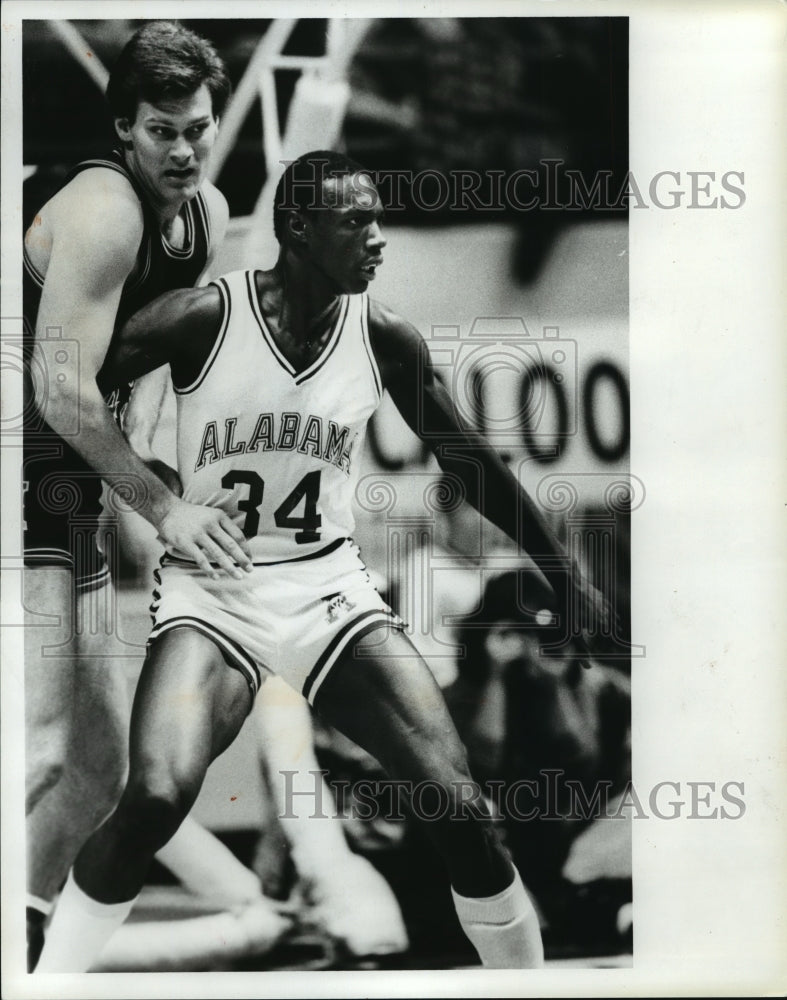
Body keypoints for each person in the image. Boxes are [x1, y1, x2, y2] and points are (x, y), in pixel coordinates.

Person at [36, 150, 611, 972]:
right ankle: (44, 986)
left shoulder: (382, 336)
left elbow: (473, 463)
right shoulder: (200, 317)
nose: (378, 238)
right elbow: (70, 395)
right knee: (157, 794)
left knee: (463, 812)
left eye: (378, 219)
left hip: (328, 586)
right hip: (216, 587)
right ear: (297, 228)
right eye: (356, 222)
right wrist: (158, 489)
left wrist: (563, 572)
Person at [22, 21, 254, 969]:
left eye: (197, 127)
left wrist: (155, 480)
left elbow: (140, 375)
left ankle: (25, 942)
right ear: (124, 129)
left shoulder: (205, 216)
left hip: (59, 470)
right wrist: (159, 507)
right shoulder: (103, 211)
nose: (186, 149)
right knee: (35, 739)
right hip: (22, 452)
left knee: (95, 769)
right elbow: (62, 389)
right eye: (162, 130)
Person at [446, 568, 631, 949]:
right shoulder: (463, 693)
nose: (531, 645)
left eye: (543, 632)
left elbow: (581, 761)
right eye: (514, 633)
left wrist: (556, 682)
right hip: (507, 835)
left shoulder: (597, 687)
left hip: (575, 827)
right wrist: (497, 678)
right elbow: (481, 763)